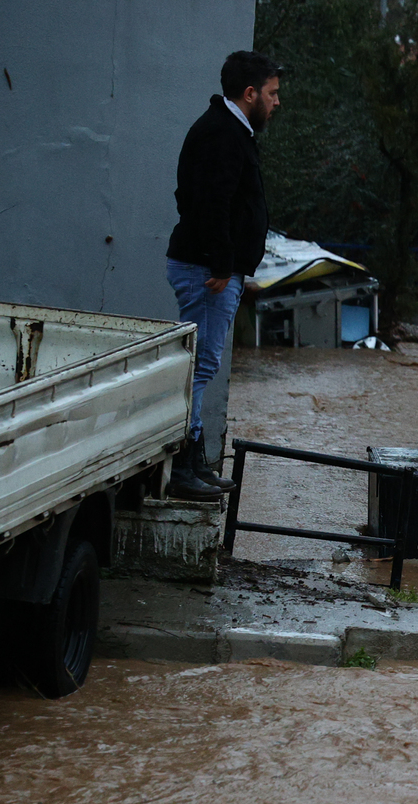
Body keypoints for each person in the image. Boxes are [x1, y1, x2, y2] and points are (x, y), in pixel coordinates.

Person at [163, 50, 282, 500]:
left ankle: (192, 460)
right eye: (271, 94)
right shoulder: (222, 134)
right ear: (249, 93)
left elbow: (200, 198)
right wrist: (220, 262)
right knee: (199, 364)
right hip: (206, 271)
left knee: (200, 362)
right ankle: (182, 465)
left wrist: (230, 263)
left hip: (212, 268)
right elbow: (209, 202)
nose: (276, 102)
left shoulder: (231, 130)